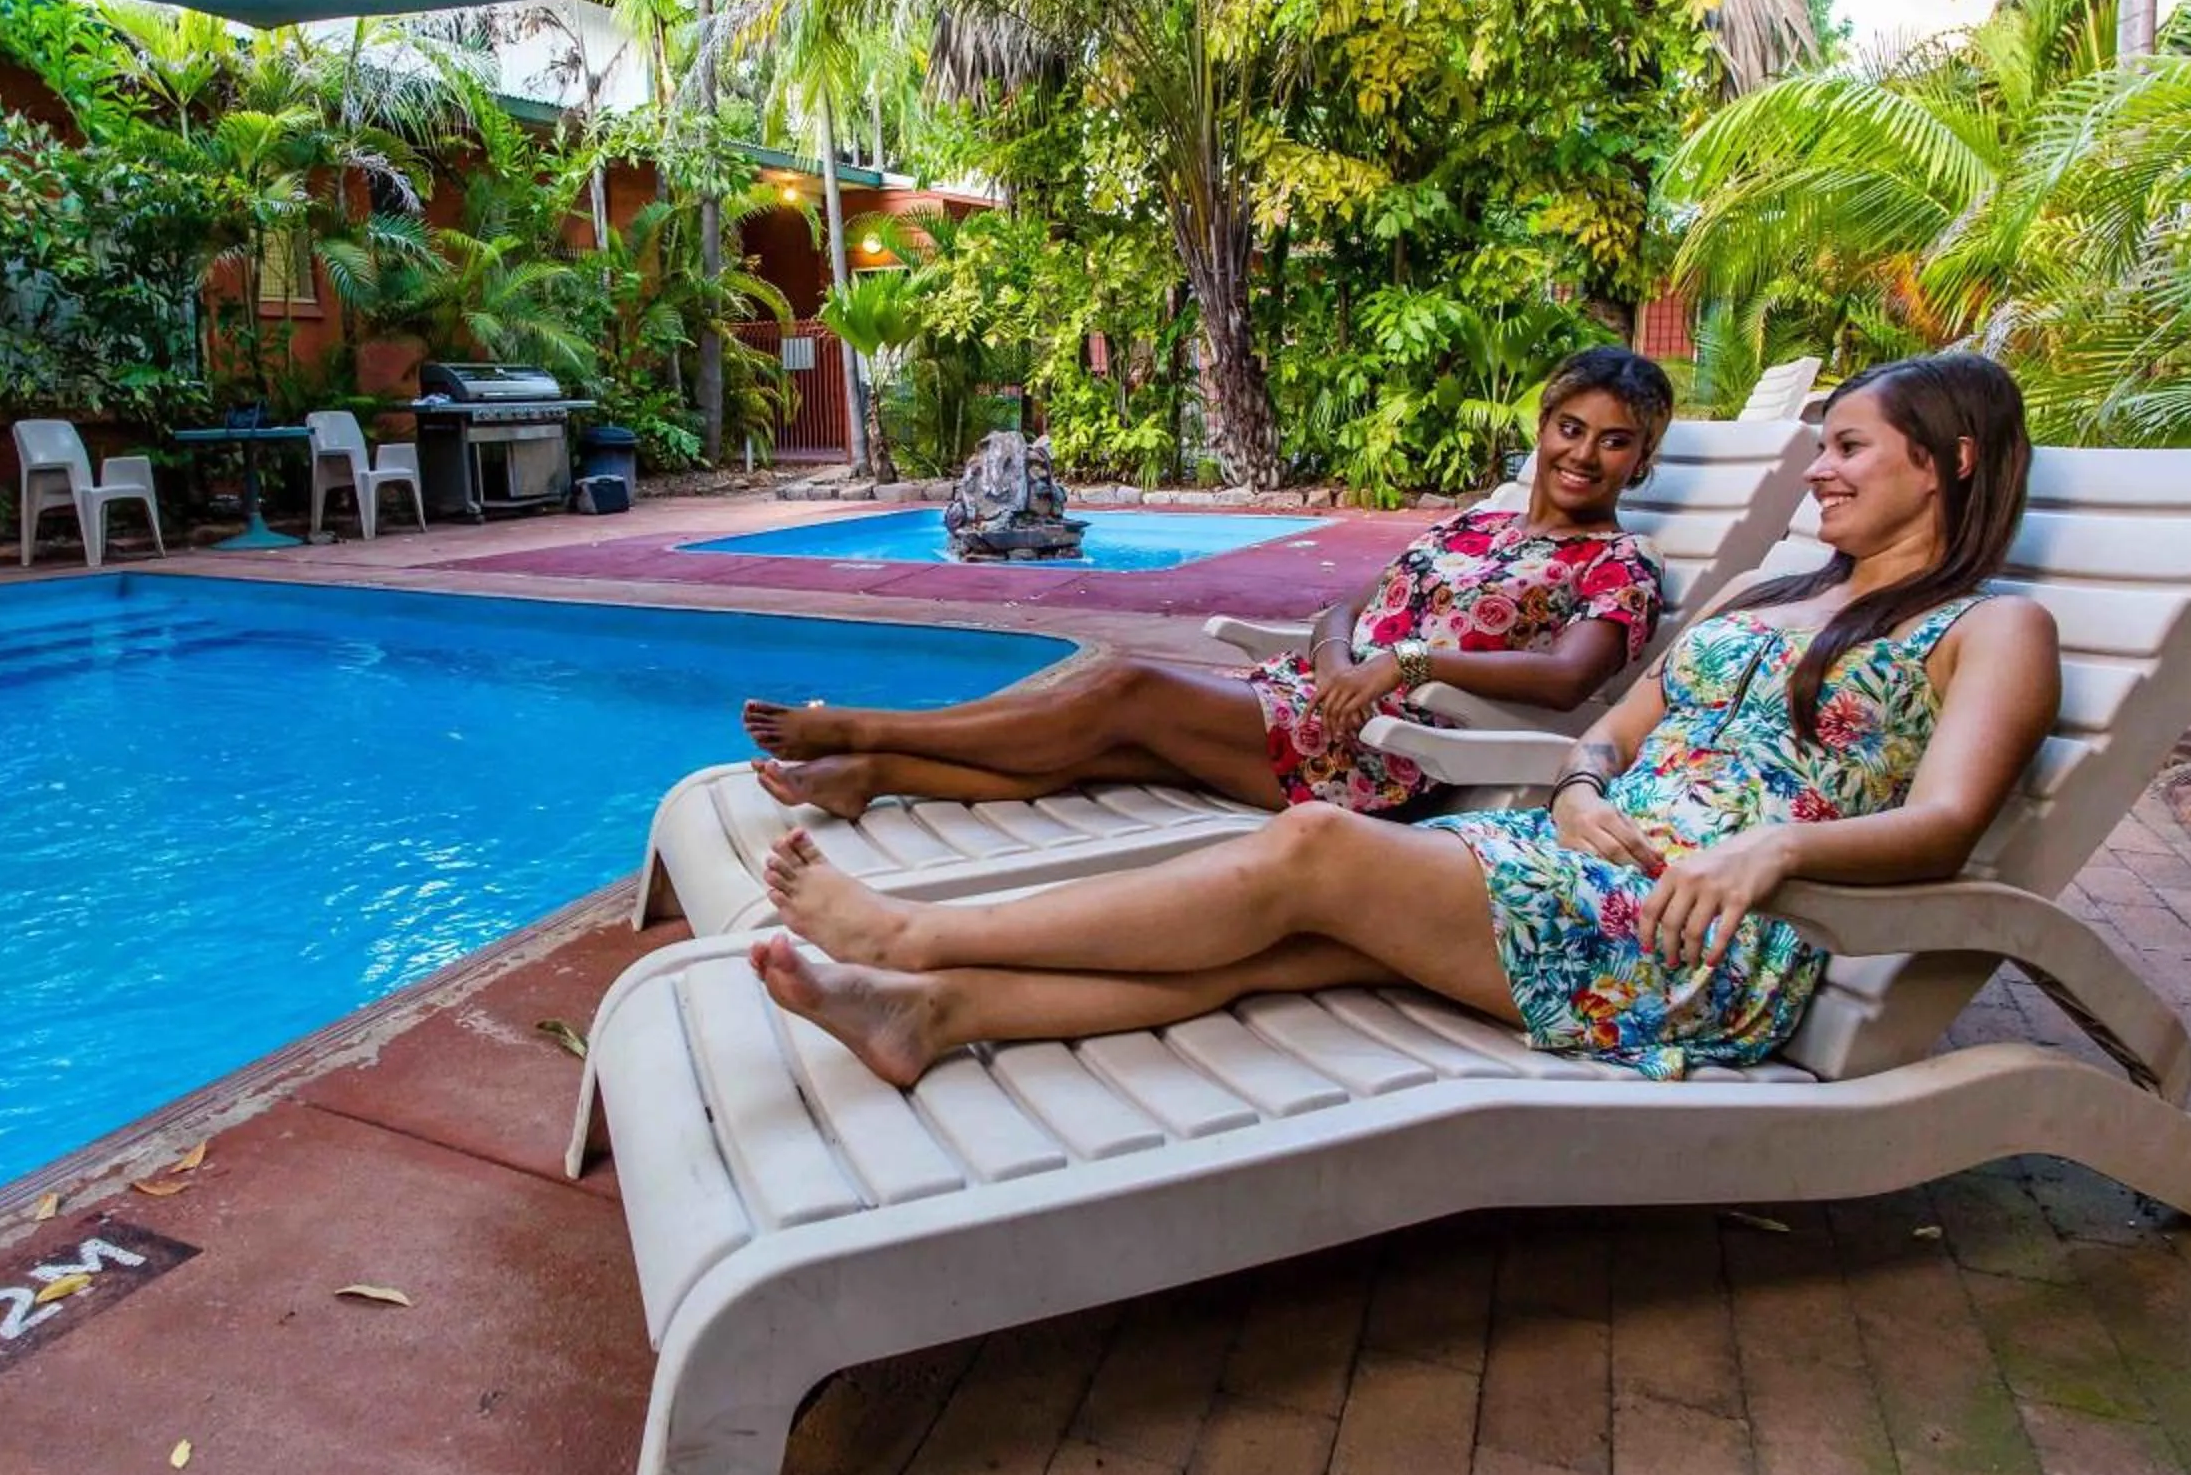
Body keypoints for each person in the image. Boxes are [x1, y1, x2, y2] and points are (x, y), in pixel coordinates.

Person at [747, 351, 2061, 1086]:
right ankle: (932, 1016)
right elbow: (1612, 727)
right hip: (1569, 871)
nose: (1820, 473)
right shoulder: (1772, 598)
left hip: (1702, 937)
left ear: (1946, 463)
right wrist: (1585, 787)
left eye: (1851, 451)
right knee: (1260, 952)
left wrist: (1770, 852)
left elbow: (1946, 823)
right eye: (1820, 446)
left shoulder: (1993, 629)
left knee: (1313, 856)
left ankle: (913, 933)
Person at [741, 346, 1677, 822]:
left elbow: (1564, 681)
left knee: (1121, 687)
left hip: (1395, 754)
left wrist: (1396, 667)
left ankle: (865, 727)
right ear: (1544, 428)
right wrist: (1341, 655)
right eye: (1571, 428)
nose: (1584, 454)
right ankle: (873, 778)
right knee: (1102, 748)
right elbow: (1350, 603)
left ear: (1640, 461)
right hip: (1316, 701)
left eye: (1615, 440)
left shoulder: (1618, 570)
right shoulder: (1477, 520)